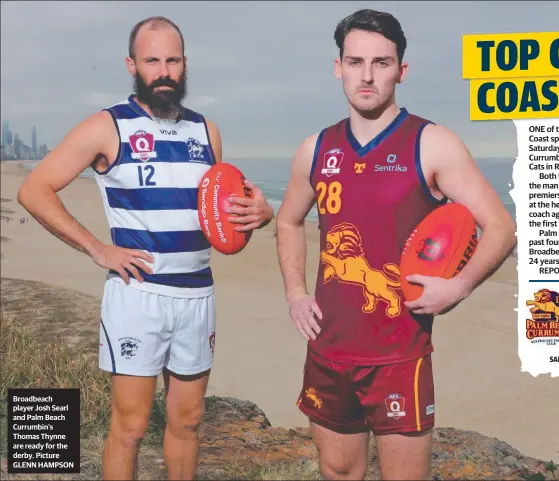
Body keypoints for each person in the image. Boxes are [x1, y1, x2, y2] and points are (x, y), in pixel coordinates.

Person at [17, 16, 274, 480]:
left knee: (188, 423)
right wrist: (98, 248)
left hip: (198, 295)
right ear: (132, 64)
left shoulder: (206, 132)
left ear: (184, 65)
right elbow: (35, 189)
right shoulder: (108, 125)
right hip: (139, 296)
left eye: (171, 60)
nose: (163, 70)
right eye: (151, 60)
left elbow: (223, 216)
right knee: (132, 427)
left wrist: (261, 215)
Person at [275, 9, 516, 481]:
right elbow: (287, 220)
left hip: (398, 354)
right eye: (355, 61)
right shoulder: (315, 149)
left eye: (381, 63)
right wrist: (295, 294)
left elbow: (501, 227)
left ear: (401, 71)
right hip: (328, 351)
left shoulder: (432, 144)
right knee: (338, 472)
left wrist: (458, 287)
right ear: (338, 66)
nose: (367, 76)